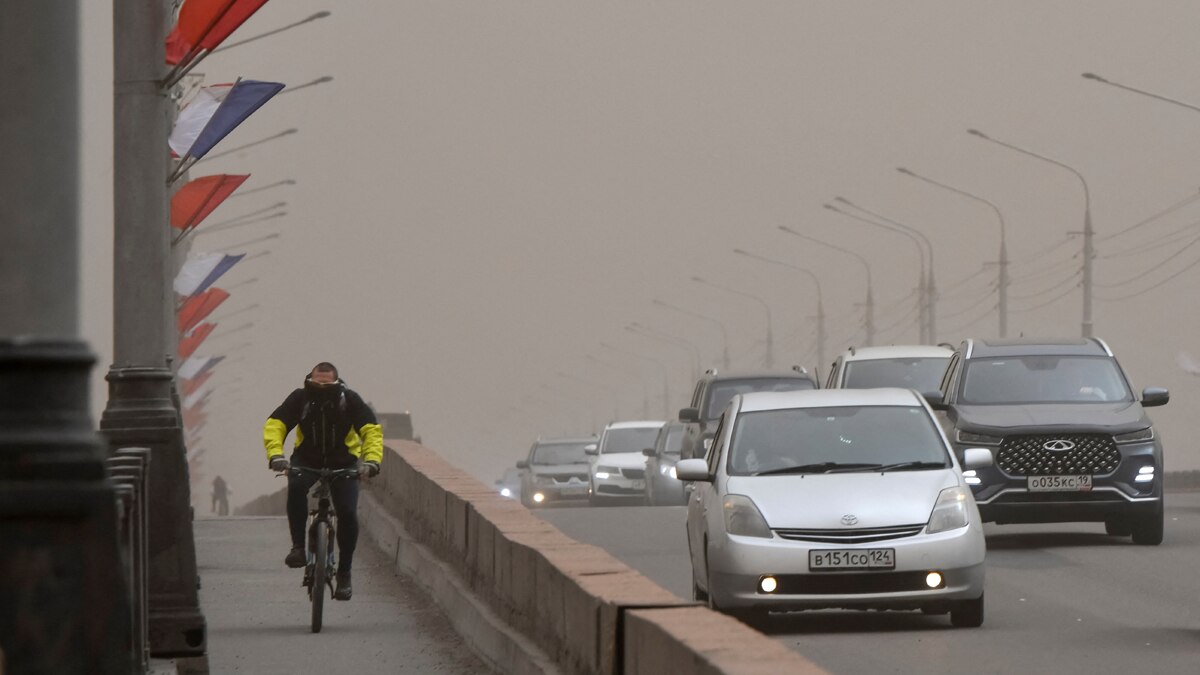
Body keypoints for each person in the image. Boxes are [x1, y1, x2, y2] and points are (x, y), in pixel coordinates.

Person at [263, 362, 383, 601]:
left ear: (336, 382)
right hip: (306, 460)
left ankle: (345, 573)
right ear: (310, 379)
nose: (322, 386)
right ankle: (298, 547)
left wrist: (371, 461)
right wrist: (276, 455)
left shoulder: (349, 400)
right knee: (296, 487)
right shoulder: (300, 398)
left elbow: (371, 431)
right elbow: (275, 425)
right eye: (318, 382)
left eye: (327, 383)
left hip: (344, 463)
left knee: (347, 512)